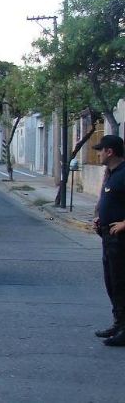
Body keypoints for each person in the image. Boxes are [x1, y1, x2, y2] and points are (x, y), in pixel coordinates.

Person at [92, 134, 125, 346]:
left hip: (120, 238)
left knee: (121, 283)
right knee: (112, 282)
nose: (99, 153)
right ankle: (118, 322)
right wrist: (99, 218)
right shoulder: (112, 173)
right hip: (107, 236)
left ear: (110, 151)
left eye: (101, 150)